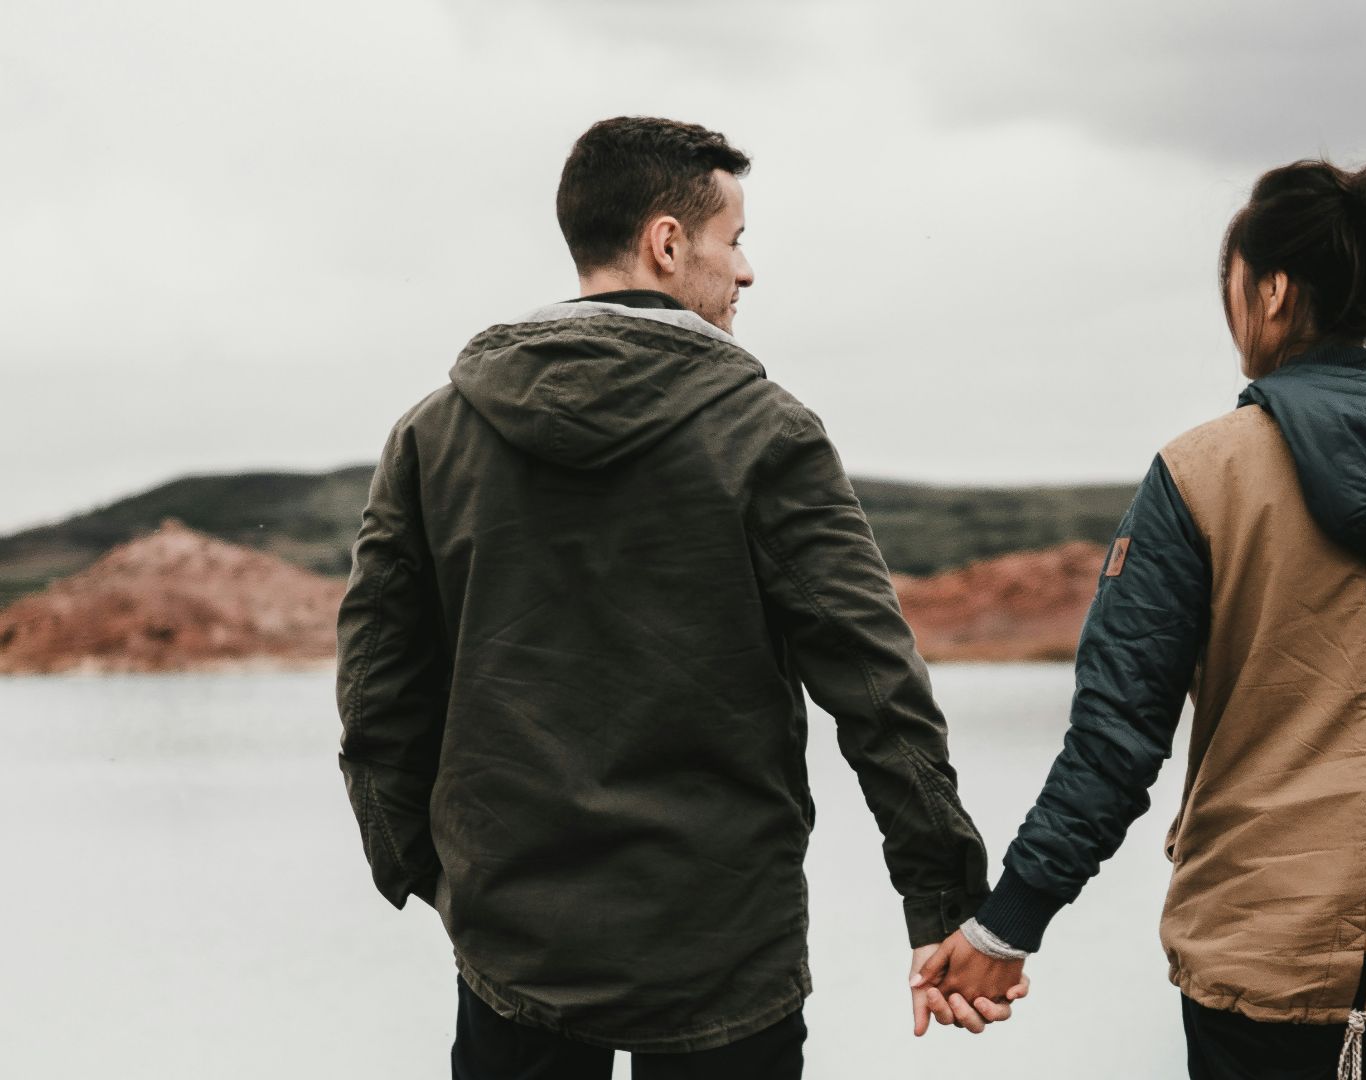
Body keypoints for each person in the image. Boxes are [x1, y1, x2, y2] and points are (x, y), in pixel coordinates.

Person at [335, 116, 1014, 1080]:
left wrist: (426, 870)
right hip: (724, 939)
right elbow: (874, 684)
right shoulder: (768, 433)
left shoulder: (433, 433)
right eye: (733, 241)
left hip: (512, 932)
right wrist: (944, 901)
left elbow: (374, 685)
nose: (745, 273)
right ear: (666, 243)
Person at [913, 155, 1366, 1078]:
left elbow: (1115, 742)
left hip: (1258, 969)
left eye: (1229, 283)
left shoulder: (1199, 476)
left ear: (1272, 293)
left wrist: (1007, 927)